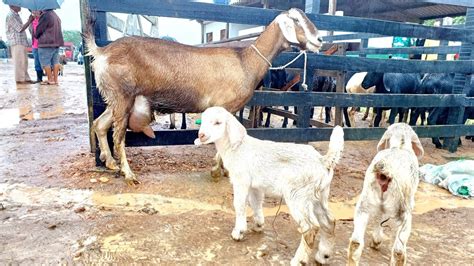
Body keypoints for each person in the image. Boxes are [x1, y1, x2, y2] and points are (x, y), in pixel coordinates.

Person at [5, 5, 35, 84]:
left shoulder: (15, 15)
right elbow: (20, 29)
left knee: (24, 61)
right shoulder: (11, 15)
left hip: (21, 41)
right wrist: (29, 21)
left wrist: (29, 21)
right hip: (16, 41)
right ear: (12, 6)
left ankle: (25, 78)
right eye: (18, 4)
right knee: (19, 61)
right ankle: (20, 79)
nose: (20, 6)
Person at [34, 9, 64, 85]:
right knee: (55, 61)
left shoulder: (45, 15)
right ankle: (55, 80)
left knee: (45, 61)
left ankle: (50, 79)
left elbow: (38, 30)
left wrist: (36, 33)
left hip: (46, 43)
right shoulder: (56, 16)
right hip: (56, 43)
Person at [29, 10, 43, 83]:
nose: (34, 13)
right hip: (35, 45)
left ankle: (51, 77)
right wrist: (29, 21)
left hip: (42, 44)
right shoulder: (32, 21)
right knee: (37, 62)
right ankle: (39, 79)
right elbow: (31, 32)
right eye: (33, 11)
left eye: (36, 11)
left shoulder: (43, 20)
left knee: (44, 62)